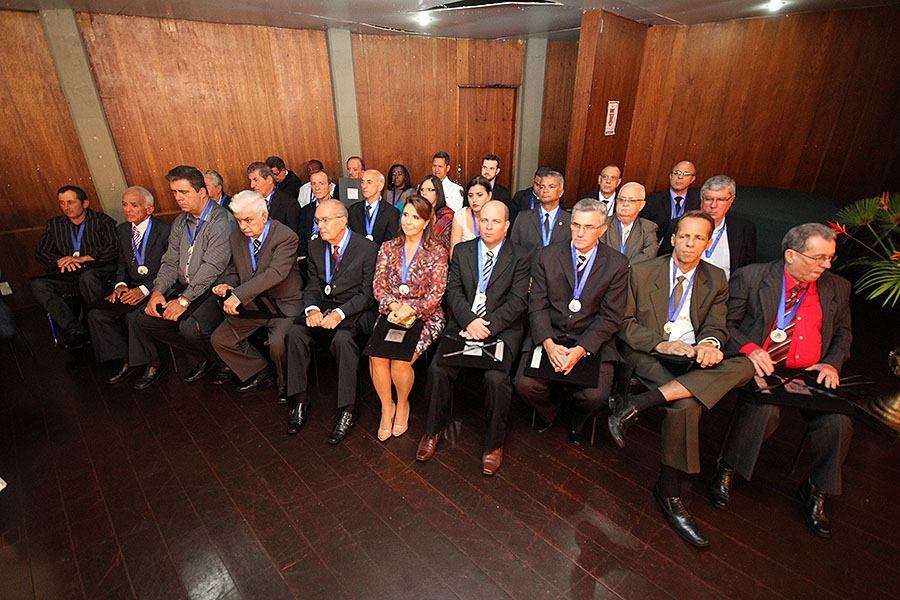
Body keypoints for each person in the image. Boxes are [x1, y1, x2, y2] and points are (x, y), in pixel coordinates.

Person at [608, 210, 755, 548]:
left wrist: (710, 344)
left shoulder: (716, 278)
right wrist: (661, 344)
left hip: (691, 356)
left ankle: (640, 403)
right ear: (673, 238)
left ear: (707, 243)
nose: (689, 244)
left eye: (698, 238)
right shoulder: (642, 272)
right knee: (687, 405)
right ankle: (669, 491)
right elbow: (624, 324)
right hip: (650, 353)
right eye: (684, 236)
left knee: (746, 365)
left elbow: (717, 326)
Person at [711, 223, 852, 538]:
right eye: (818, 258)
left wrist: (832, 363)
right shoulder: (752, 277)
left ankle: (816, 490)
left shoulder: (837, 287)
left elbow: (844, 334)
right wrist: (749, 348)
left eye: (830, 257)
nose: (826, 265)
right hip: (764, 366)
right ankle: (728, 467)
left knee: (838, 422)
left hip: (811, 371)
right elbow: (725, 325)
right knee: (764, 411)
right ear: (791, 255)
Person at [416, 200, 529, 475]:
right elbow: (452, 291)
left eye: (495, 221)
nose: (488, 226)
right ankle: (432, 431)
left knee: (496, 378)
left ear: (506, 225)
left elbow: (517, 302)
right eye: (483, 220)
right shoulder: (463, 250)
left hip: (500, 328)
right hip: (463, 323)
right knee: (438, 369)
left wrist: (486, 327)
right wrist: (469, 321)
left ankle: (493, 444)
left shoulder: (520, 255)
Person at [514, 198, 628, 444]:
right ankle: (550, 412)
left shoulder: (617, 263)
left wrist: (580, 350)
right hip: (551, 333)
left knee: (595, 396)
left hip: (590, 339)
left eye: (588, 227)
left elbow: (611, 316)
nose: (580, 232)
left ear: (602, 229)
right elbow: (537, 305)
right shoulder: (547, 255)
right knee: (525, 384)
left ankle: (578, 417)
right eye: (576, 225)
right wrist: (548, 343)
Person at [129, 165, 232, 389]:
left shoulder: (222, 220)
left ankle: (224, 363)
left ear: (202, 192)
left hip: (213, 288)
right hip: (185, 286)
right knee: (146, 319)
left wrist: (184, 300)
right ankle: (206, 357)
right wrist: (157, 292)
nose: (178, 198)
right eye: (174, 192)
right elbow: (169, 262)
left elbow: (212, 267)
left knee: (189, 326)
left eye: (183, 192)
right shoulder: (179, 222)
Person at [284, 199, 377, 443]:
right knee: (295, 333)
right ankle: (299, 401)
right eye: (318, 221)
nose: (320, 226)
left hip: (354, 311)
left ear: (343, 221)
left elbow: (367, 295)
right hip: (324, 307)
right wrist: (312, 309)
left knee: (343, 340)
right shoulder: (315, 245)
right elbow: (312, 286)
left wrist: (340, 314)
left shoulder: (366, 248)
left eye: (325, 221)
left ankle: (347, 409)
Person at [209, 190, 301, 404]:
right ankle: (259, 370)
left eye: (248, 220)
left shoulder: (286, 236)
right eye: (239, 220)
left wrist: (238, 294)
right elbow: (234, 268)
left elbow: (275, 274)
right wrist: (228, 284)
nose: (243, 226)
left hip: (283, 304)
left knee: (278, 344)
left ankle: (286, 384)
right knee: (220, 339)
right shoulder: (237, 236)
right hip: (254, 303)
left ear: (264, 215)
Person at [370, 196, 449, 441]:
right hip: (392, 312)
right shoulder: (388, 247)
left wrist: (411, 309)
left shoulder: (437, 251)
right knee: (377, 357)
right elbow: (378, 286)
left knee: (400, 361)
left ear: (426, 222)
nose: (409, 221)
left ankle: (403, 403)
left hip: (425, 316)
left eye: (416, 217)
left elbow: (436, 294)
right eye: (406, 215)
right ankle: (387, 407)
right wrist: (395, 306)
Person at [87, 186, 171, 383]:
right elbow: (122, 264)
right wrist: (120, 284)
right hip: (131, 287)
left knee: (134, 317)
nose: (128, 210)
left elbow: (171, 269)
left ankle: (153, 363)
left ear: (149, 209)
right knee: (97, 315)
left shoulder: (165, 231)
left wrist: (144, 290)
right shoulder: (122, 230)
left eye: (134, 205)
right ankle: (126, 359)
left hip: (157, 288)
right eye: (125, 205)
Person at [31, 185, 118, 348]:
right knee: (39, 284)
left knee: (88, 277)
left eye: (70, 202)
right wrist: (61, 260)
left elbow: (113, 248)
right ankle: (76, 330)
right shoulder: (55, 224)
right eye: (62, 203)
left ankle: (104, 327)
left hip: (96, 272)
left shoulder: (102, 221)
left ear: (85, 203)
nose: (66, 207)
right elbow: (41, 252)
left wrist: (83, 259)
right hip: (69, 274)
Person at [509, 170, 571, 253]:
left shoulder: (570, 220)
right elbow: (513, 248)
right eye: (542, 187)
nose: (545, 190)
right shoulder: (523, 218)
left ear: (561, 192)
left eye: (551, 187)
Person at [600, 182, 658, 264]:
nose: (625, 204)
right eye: (621, 199)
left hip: (633, 271)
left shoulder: (648, 227)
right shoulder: (603, 223)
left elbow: (649, 254)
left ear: (641, 205)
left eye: (631, 200)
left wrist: (625, 267)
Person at [246, 162, 302, 245]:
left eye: (256, 180)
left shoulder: (289, 204)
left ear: (269, 180)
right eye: (250, 181)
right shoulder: (250, 204)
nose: (252, 185)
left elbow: (292, 238)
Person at [643, 161, 700, 233]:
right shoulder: (653, 200)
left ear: (692, 179)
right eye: (676, 173)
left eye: (686, 174)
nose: (680, 177)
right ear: (670, 176)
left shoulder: (698, 200)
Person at [348, 170, 400, 245]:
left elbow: (390, 242)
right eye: (362, 182)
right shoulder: (353, 209)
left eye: (369, 182)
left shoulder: (392, 212)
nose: (364, 186)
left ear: (380, 186)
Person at [450, 176, 492, 253]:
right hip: (464, 259)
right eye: (470, 195)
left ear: (489, 196)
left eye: (479, 195)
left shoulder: (496, 214)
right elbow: (454, 251)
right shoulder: (460, 216)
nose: (474, 200)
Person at [298, 170, 336, 258]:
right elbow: (301, 237)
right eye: (313, 184)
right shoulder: (305, 210)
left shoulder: (338, 209)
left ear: (330, 187)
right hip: (308, 257)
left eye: (321, 183)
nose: (317, 188)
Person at [416, 175, 454, 250]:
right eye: (422, 190)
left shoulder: (447, 215)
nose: (424, 193)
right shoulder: (417, 212)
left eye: (429, 189)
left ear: (438, 192)